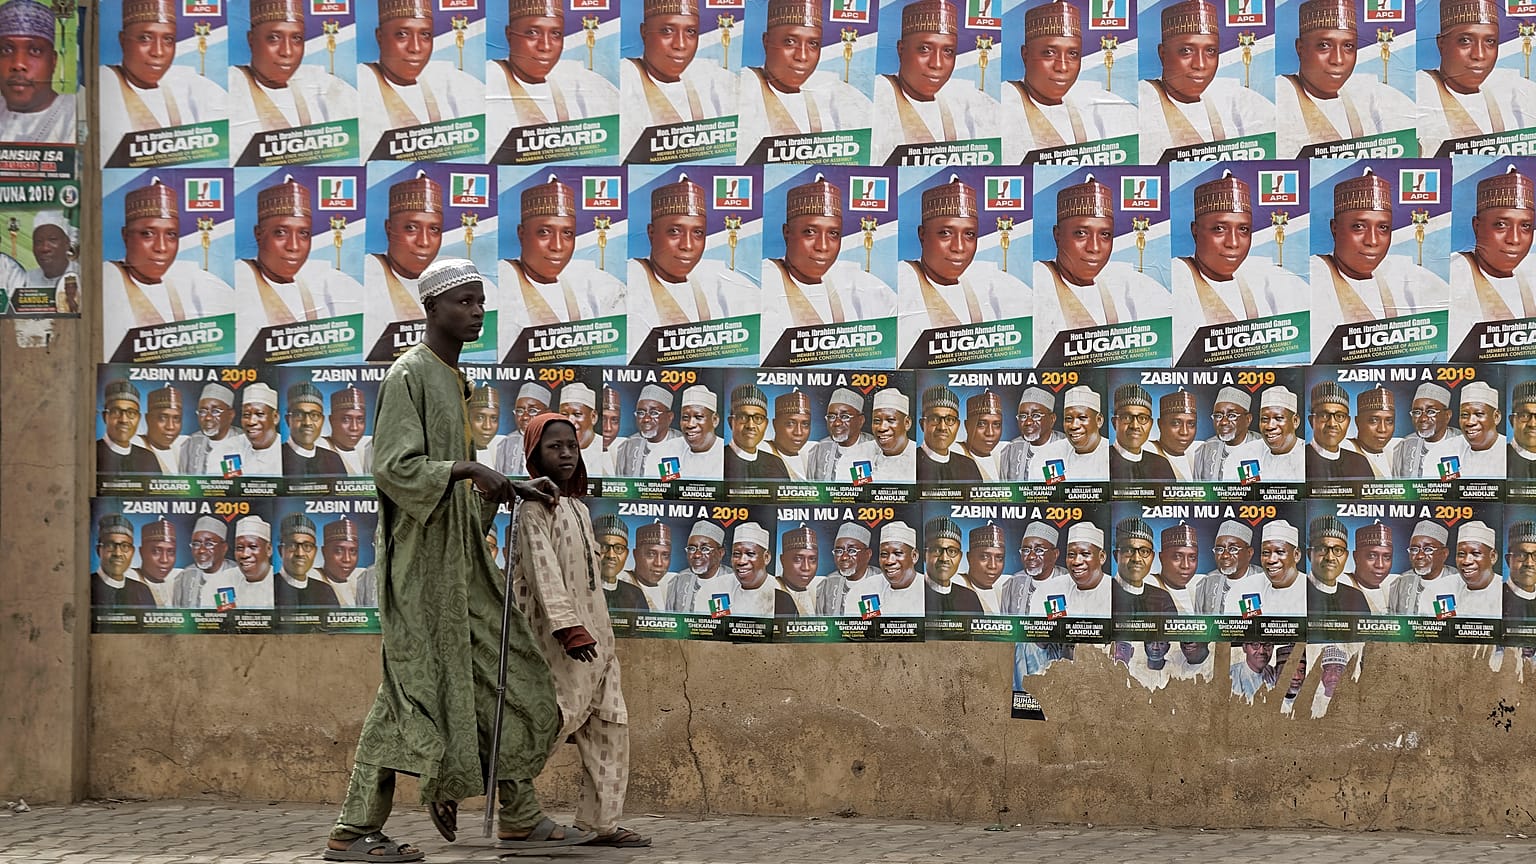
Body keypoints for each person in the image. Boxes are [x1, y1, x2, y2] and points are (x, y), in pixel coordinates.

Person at [325, 257, 582, 862]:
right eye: (463, 303)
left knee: (512, 675)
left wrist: (516, 489)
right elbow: (394, 467)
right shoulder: (409, 374)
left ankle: (519, 814)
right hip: (420, 572)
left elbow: (464, 486)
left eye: (480, 304)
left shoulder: (454, 379)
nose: (475, 314)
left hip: (463, 564)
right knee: (409, 694)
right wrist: (468, 468)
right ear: (431, 308)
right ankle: (354, 829)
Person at [511, 411, 648, 849]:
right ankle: (473, 788)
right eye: (554, 447)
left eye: (570, 445)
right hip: (559, 644)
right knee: (547, 726)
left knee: (610, 724)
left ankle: (600, 823)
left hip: (597, 643)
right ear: (535, 454)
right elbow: (542, 571)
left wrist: (594, 634)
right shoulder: (533, 508)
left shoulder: (579, 508)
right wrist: (567, 629)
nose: (566, 454)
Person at [1311, 168, 1450, 346]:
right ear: (1335, 228)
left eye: (1383, 228)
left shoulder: (1406, 275)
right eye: (1359, 226)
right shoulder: (1315, 276)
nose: (1373, 241)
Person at [1173, 171, 1307, 353]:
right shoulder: (1178, 277)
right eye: (1219, 229)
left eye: (1243, 229)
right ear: (1195, 230)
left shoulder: (1266, 277)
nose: (1233, 243)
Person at [898, 174, 1030, 356]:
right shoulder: (903, 281)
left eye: (969, 234)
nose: (959, 247)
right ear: (922, 234)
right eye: (945, 233)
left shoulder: (989, 282)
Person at [1034, 174, 1169, 348]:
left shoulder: (1126, 283)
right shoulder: (1040, 281)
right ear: (1057, 235)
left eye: (1105, 235)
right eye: (1081, 233)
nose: (1094, 247)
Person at [761, 174, 894, 342]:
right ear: (787, 232)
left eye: (833, 234)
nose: (822, 246)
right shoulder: (765, 281)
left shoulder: (856, 284)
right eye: (810, 232)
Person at [236, 175, 362, 353]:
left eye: (304, 234)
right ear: (258, 234)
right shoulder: (241, 278)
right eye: (280, 232)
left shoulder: (327, 280)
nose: (293, 246)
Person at [1275, 0, 1415, 157]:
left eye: (1348, 46)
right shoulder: (1281, 95)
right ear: (1300, 49)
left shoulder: (1367, 92)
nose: (1338, 60)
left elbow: (1414, 147)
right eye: (1324, 45)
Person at [1139, 1, 1275, 162]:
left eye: (1210, 51)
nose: (1200, 65)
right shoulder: (1143, 99)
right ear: (1163, 54)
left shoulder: (1234, 98)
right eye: (1186, 51)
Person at [1000, 0, 1134, 163]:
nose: (1062, 67)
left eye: (1073, 54)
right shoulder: (1004, 103)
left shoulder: (1094, 108)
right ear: (1025, 55)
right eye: (1049, 53)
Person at [736, 0, 871, 162]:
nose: (802, 56)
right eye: (790, 41)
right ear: (767, 41)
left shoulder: (838, 95)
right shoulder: (743, 88)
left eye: (813, 44)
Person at [103, 177, 234, 341]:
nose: (161, 247)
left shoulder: (192, 279)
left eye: (171, 235)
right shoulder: (108, 278)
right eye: (148, 234)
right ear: (125, 235)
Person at [870, 0, 1000, 164]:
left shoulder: (966, 101)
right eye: (925, 49)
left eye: (948, 51)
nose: (937, 64)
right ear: (901, 50)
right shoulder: (878, 96)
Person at [628, 173, 756, 338]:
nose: (687, 245)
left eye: (698, 233)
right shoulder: (631, 279)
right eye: (674, 231)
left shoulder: (720, 283)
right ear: (651, 233)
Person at [498, 174, 626, 338]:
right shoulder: (504, 280)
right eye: (544, 232)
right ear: (521, 234)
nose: (557, 246)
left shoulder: (591, 283)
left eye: (567, 233)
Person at [486, 0, 620, 156]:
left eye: (556, 34)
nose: (546, 46)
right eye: (532, 32)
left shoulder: (577, 80)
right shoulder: (492, 80)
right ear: (509, 35)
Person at [228, 0, 358, 160]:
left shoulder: (321, 84)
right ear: (251, 40)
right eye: (274, 38)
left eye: (296, 38)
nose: (287, 51)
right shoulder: (233, 86)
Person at [98, 0, 227, 158]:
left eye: (168, 40)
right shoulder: (105, 82)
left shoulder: (188, 83)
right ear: (123, 40)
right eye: (145, 38)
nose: (158, 52)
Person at [357, 0, 483, 160]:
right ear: (380, 37)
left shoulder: (447, 79)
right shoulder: (362, 81)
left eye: (425, 35)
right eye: (402, 34)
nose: (415, 48)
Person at [618, 0, 737, 159]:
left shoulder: (712, 82)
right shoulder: (625, 79)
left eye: (690, 32)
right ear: (644, 32)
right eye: (667, 31)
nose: (680, 44)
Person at [1418, 0, 1536, 157]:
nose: (1479, 55)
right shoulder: (1420, 89)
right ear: (1442, 44)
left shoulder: (1511, 89)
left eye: (1490, 42)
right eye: (1465, 40)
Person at [1450, 166, 1536, 352]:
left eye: (1526, 226)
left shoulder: (1530, 272)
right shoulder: (1456, 272)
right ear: (1477, 226)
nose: (1514, 239)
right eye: (1501, 225)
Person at [364, 171, 445, 353]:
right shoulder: (369, 273)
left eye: (434, 229)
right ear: (389, 228)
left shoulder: (452, 278)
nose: (424, 242)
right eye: (411, 228)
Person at [0, 0, 75, 143]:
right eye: (6, 50)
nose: (18, 64)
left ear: (53, 61)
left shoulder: (75, 115)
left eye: (35, 50)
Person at [1029, 385, 1108, 482]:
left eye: (1082, 418)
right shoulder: (1049, 455)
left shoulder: (1111, 455)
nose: (1074, 426)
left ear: (1099, 420)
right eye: (1068, 419)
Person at [647, 384, 724, 480]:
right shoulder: (666, 452)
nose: (690, 424)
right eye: (685, 418)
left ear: (715, 420)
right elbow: (662, 488)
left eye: (698, 417)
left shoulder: (725, 454)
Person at [1390, 383, 1466, 479]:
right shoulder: (1405, 446)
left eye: (1431, 412)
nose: (1423, 418)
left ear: (1447, 415)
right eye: (1417, 412)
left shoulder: (1461, 443)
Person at [805, 387, 879, 482]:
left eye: (845, 417)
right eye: (831, 417)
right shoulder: (819, 450)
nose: (837, 423)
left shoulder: (873, 449)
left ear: (861, 421)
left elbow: (863, 488)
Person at [1191, 386, 1264, 481]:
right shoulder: (1205, 451)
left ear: (1248, 419)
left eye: (1232, 416)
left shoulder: (1261, 447)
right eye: (1218, 416)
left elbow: (1250, 489)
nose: (1223, 422)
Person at [1192, 520, 1264, 615]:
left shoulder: (1262, 580)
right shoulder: (1206, 584)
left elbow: (1252, 622)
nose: (1225, 555)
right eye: (1219, 549)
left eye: (1233, 549)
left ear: (1249, 553)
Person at [1307, 380, 1374, 480]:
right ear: (1311, 421)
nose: (1332, 423)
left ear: (1348, 422)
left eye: (1340, 416)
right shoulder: (1299, 459)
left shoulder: (1360, 462)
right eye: (1324, 415)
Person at [15, 211, 80, 312]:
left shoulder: (81, 274)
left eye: (52, 240)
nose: (45, 248)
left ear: (67, 243)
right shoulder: (27, 279)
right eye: (38, 242)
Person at [999, 521, 1069, 616]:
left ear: (1055, 554)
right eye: (1026, 550)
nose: (1031, 556)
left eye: (1039, 550)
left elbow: (1056, 622)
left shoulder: (1066, 581)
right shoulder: (1013, 584)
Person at [915, 385, 982, 483]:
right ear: (922, 424)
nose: (942, 427)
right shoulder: (910, 463)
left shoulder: (969, 466)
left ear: (958, 425)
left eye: (950, 420)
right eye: (934, 419)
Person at [608, 384, 678, 478]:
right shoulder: (628, 446)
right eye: (641, 413)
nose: (646, 419)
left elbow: (670, 484)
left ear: (670, 417)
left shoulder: (679, 445)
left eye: (654, 413)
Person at [1111, 517, 1176, 616]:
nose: (1136, 559)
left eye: (1144, 551)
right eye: (1128, 550)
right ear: (1116, 556)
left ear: (1152, 557)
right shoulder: (1103, 594)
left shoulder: (1163, 599)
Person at [1387, 520, 1455, 616]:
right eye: (1414, 549)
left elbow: (1445, 622)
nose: (1419, 556)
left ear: (1444, 554)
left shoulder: (1455, 582)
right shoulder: (1401, 583)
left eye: (1428, 549)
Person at [171, 516, 242, 608]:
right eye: (196, 544)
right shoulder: (184, 577)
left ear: (224, 548)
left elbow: (228, 614)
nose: (201, 550)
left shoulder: (237, 575)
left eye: (209, 544)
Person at [814, 523, 883, 616]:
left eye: (852, 551)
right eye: (839, 551)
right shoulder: (828, 584)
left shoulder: (878, 581)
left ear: (868, 554)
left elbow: (872, 622)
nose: (844, 557)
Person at [1110, 383, 1175, 481]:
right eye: (1127, 417)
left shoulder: (1162, 465)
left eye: (1143, 418)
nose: (1135, 426)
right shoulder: (1101, 460)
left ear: (1151, 424)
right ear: (1115, 423)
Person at [724, 383, 790, 480]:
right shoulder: (718, 459)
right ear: (731, 422)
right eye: (742, 417)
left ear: (766, 424)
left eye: (758, 418)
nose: (751, 425)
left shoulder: (776, 463)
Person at [1306, 515, 1370, 614]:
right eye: (1322, 549)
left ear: (1346, 556)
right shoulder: (1296, 593)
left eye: (1338, 550)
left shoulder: (1357, 598)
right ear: (1310, 554)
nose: (1330, 557)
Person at [179, 383, 247, 476]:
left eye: (215, 411)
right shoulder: (191, 444)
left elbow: (233, 481)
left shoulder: (242, 441)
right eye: (202, 412)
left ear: (231, 415)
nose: (208, 417)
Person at [97, 379, 162, 474]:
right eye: (116, 412)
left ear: (138, 418)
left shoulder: (148, 458)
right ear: (105, 417)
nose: (124, 420)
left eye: (131, 413)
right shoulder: (91, 453)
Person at [998, 387, 1063, 482]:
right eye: (1023, 416)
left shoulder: (1064, 446)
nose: (1028, 422)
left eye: (1036, 416)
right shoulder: (1011, 450)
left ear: (1052, 419)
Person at [663, 521, 729, 613]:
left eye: (705, 549)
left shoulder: (731, 581)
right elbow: (670, 619)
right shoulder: (679, 581)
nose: (697, 555)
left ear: (721, 553)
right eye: (691, 549)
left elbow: (721, 620)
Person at [283, 383, 348, 477]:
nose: (307, 422)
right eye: (299, 415)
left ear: (322, 421)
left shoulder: (333, 459)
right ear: (287, 420)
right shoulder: (276, 457)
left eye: (314, 415)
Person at [92, 515, 156, 608]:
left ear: (132, 552)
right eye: (110, 545)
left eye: (125, 546)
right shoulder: (86, 586)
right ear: (99, 550)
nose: (118, 553)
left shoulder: (142, 591)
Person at [275, 514, 340, 607]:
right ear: (280, 550)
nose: (300, 553)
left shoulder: (325, 590)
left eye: (307, 546)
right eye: (292, 545)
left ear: (315, 551)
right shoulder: (268, 588)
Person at [923, 517, 983, 614]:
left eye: (952, 551)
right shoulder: (912, 593)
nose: (944, 558)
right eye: (936, 550)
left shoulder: (970, 598)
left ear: (960, 557)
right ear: (924, 555)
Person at [719, 522, 777, 617]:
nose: (741, 561)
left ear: (766, 557)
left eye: (750, 554)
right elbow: (719, 623)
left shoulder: (780, 592)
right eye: (736, 554)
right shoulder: (718, 588)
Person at [315, 517, 376, 608]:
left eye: (353, 551)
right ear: (324, 551)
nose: (347, 559)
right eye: (338, 551)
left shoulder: (364, 576)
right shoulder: (313, 578)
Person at [496, 383, 554, 477]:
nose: (525, 417)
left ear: (547, 414)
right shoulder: (506, 443)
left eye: (532, 411)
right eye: (519, 411)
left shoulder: (556, 443)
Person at [594, 515, 649, 612]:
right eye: (603, 546)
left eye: (619, 548)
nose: (611, 555)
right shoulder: (579, 591)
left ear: (626, 554)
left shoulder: (635, 595)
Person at [1343, 385, 1397, 479]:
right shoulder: (1345, 450)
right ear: (1358, 422)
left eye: (1389, 421)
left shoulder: (1397, 449)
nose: (1382, 429)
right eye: (1373, 420)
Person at [871, 520, 924, 616]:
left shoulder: (927, 590)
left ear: (914, 556)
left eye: (898, 553)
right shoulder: (867, 589)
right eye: (884, 554)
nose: (889, 561)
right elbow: (870, 626)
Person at [956, 523, 1011, 614]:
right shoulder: (956, 584)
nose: (992, 565)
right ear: (969, 558)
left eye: (999, 558)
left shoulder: (1007, 585)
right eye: (984, 557)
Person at [1150, 388, 1203, 480]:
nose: (1184, 432)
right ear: (1160, 424)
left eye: (1191, 424)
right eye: (1176, 423)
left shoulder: (1198, 451)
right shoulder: (1148, 451)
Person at [1253, 387, 1304, 482]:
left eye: (1278, 418)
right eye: (1264, 419)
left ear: (1295, 421)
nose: (1270, 426)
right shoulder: (1248, 453)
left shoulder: (1307, 457)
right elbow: (1248, 491)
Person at [321, 386, 373, 475]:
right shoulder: (320, 448)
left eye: (360, 419)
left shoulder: (369, 446)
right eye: (346, 419)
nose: (354, 427)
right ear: (331, 420)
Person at [1257, 519, 1305, 616]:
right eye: (1265, 553)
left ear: (1296, 555)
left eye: (1280, 552)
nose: (1271, 560)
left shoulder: (1310, 589)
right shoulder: (1246, 587)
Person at [136, 384, 187, 474]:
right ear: (148, 419)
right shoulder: (135, 446)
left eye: (176, 419)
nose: (170, 426)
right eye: (163, 418)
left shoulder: (184, 445)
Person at [557, 383, 606, 478]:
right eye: (564, 414)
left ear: (593, 417)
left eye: (577, 414)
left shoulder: (606, 449)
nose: (570, 421)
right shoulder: (552, 447)